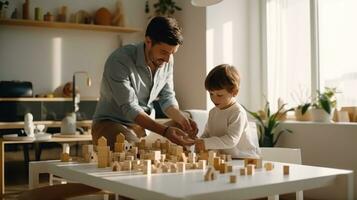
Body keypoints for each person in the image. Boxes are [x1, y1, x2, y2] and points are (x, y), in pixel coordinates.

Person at [92, 16, 197, 150]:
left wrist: (182, 120)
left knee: (182, 125)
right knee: (135, 153)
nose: (167, 59)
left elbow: (167, 99)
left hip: (145, 128)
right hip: (111, 124)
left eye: (172, 53)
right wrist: (164, 131)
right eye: (163, 52)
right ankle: (145, 146)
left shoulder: (167, 60)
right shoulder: (119, 60)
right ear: (148, 41)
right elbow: (130, 107)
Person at [195, 64, 260, 158]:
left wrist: (205, 143)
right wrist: (199, 141)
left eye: (220, 95)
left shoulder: (237, 112)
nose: (214, 99)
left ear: (234, 92)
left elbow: (231, 140)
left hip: (244, 159)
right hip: (226, 159)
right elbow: (207, 134)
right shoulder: (213, 112)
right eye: (211, 94)